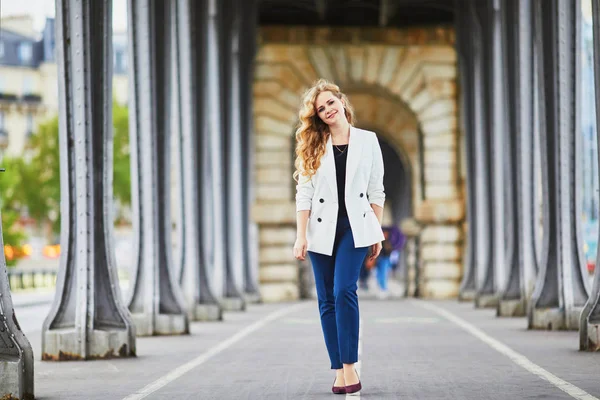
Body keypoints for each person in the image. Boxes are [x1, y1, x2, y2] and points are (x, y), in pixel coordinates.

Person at [292, 79, 385, 395]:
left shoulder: (368, 140)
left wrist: (377, 230)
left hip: (355, 228)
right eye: (321, 108)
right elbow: (304, 193)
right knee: (326, 299)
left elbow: (376, 190)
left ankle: (349, 367)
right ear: (317, 116)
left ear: (342, 102)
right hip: (321, 229)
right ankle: (338, 370)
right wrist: (300, 236)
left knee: (345, 289)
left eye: (331, 102)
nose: (328, 110)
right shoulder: (314, 145)